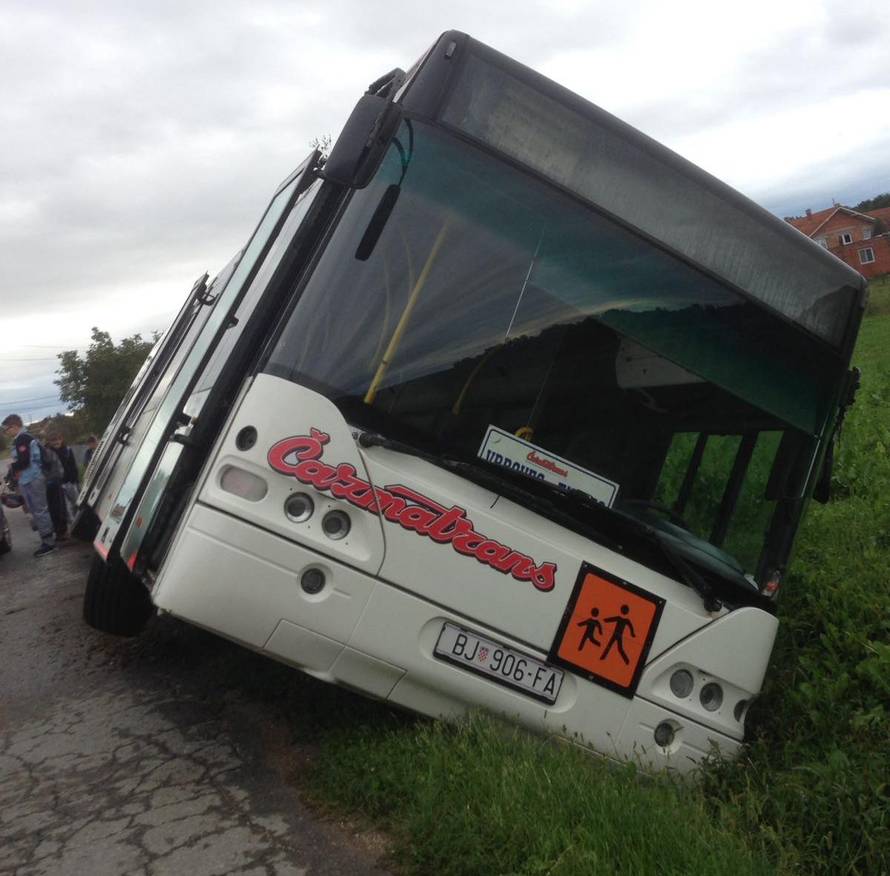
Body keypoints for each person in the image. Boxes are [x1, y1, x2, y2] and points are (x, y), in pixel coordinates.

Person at [2, 413, 55, 557]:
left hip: (33, 478)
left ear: (14, 426)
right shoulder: (23, 438)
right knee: (36, 509)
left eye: (6, 430)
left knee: (39, 509)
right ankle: (46, 538)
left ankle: (49, 542)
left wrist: (12, 467)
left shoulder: (22, 438)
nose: (6, 433)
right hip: (29, 479)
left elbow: (24, 462)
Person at [49, 433, 80, 523]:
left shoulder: (67, 450)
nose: (56, 442)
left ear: (61, 439)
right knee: (66, 507)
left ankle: (80, 520)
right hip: (59, 484)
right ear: (50, 442)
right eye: (53, 441)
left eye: (57, 440)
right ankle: (72, 523)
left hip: (70, 481)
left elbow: (73, 465)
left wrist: (75, 480)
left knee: (76, 502)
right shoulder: (49, 453)